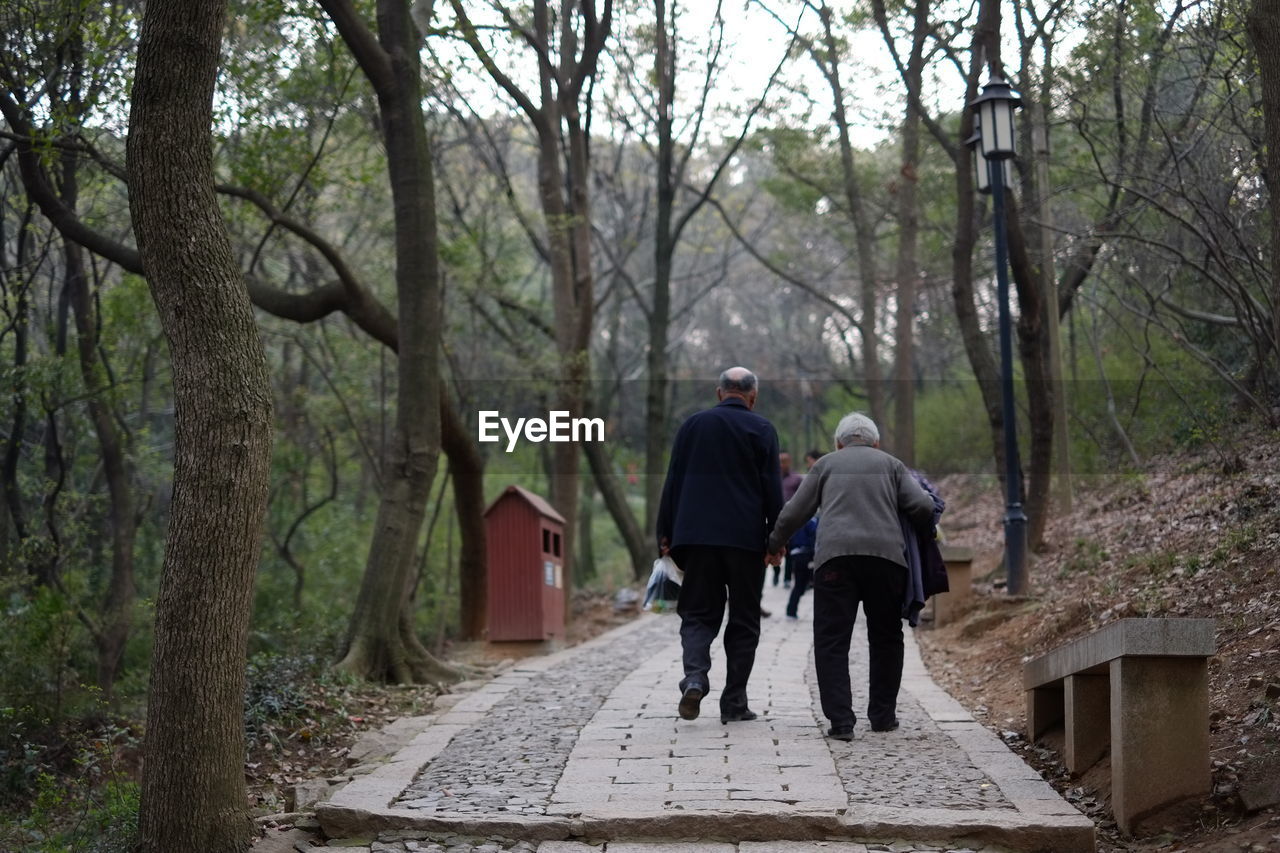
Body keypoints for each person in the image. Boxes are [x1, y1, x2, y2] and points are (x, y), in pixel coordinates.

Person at [768, 412, 934, 741]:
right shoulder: (892, 465)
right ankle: (883, 716)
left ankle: (841, 722)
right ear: (875, 442)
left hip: (835, 561)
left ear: (838, 443)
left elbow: (794, 512)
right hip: (887, 560)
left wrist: (774, 544)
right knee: (886, 637)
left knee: (832, 639)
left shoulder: (825, 465)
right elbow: (923, 507)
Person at [657, 367, 784, 724]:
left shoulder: (692, 426)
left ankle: (695, 676)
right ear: (753, 396)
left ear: (719, 393)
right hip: (745, 542)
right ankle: (734, 703)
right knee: (744, 620)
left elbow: (673, 483)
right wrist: (776, 539)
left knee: (697, 614)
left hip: (695, 538)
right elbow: (772, 489)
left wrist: (665, 535)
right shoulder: (762, 429)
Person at [772, 452, 805, 588]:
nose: (781, 464)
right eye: (779, 461)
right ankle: (776, 572)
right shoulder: (772, 478)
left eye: (784, 461)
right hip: (774, 519)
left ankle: (786, 578)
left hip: (791, 521)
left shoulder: (796, 479)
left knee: (790, 551)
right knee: (774, 547)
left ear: (789, 462)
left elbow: (803, 498)